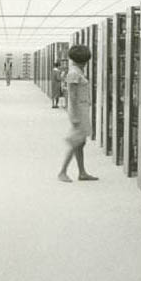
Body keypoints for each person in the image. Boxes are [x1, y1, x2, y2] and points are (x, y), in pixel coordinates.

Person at [58, 45, 98, 183]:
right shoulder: (74, 73)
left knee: (80, 142)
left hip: (82, 109)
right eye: (85, 60)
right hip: (78, 111)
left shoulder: (77, 71)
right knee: (76, 142)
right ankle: (62, 172)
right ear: (82, 60)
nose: (86, 63)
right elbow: (73, 96)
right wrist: (75, 116)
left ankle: (82, 172)